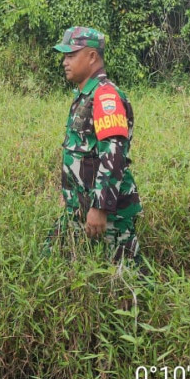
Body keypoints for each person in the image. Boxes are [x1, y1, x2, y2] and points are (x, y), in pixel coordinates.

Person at [51, 26, 142, 262]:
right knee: (55, 259)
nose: (65, 62)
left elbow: (114, 154)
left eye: (71, 55)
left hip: (110, 214)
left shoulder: (105, 96)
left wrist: (100, 207)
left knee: (124, 275)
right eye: (65, 56)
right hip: (79, 206)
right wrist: (69, 195)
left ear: (92, 56)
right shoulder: (85, 96)